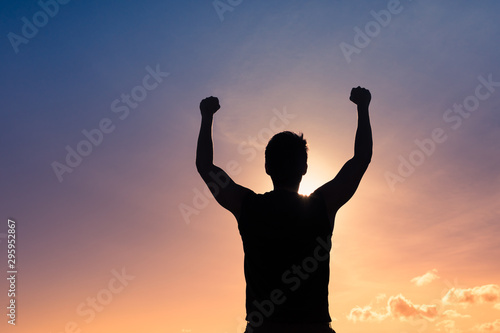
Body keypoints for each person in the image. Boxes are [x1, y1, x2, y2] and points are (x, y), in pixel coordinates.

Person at [196, 87, 372, 333]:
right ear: (305, 168)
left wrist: (207, 116)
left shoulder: (248, 206)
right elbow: (361, 159)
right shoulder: (321, 205)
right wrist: (363, 107)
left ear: (267, 167)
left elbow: (205, 166)